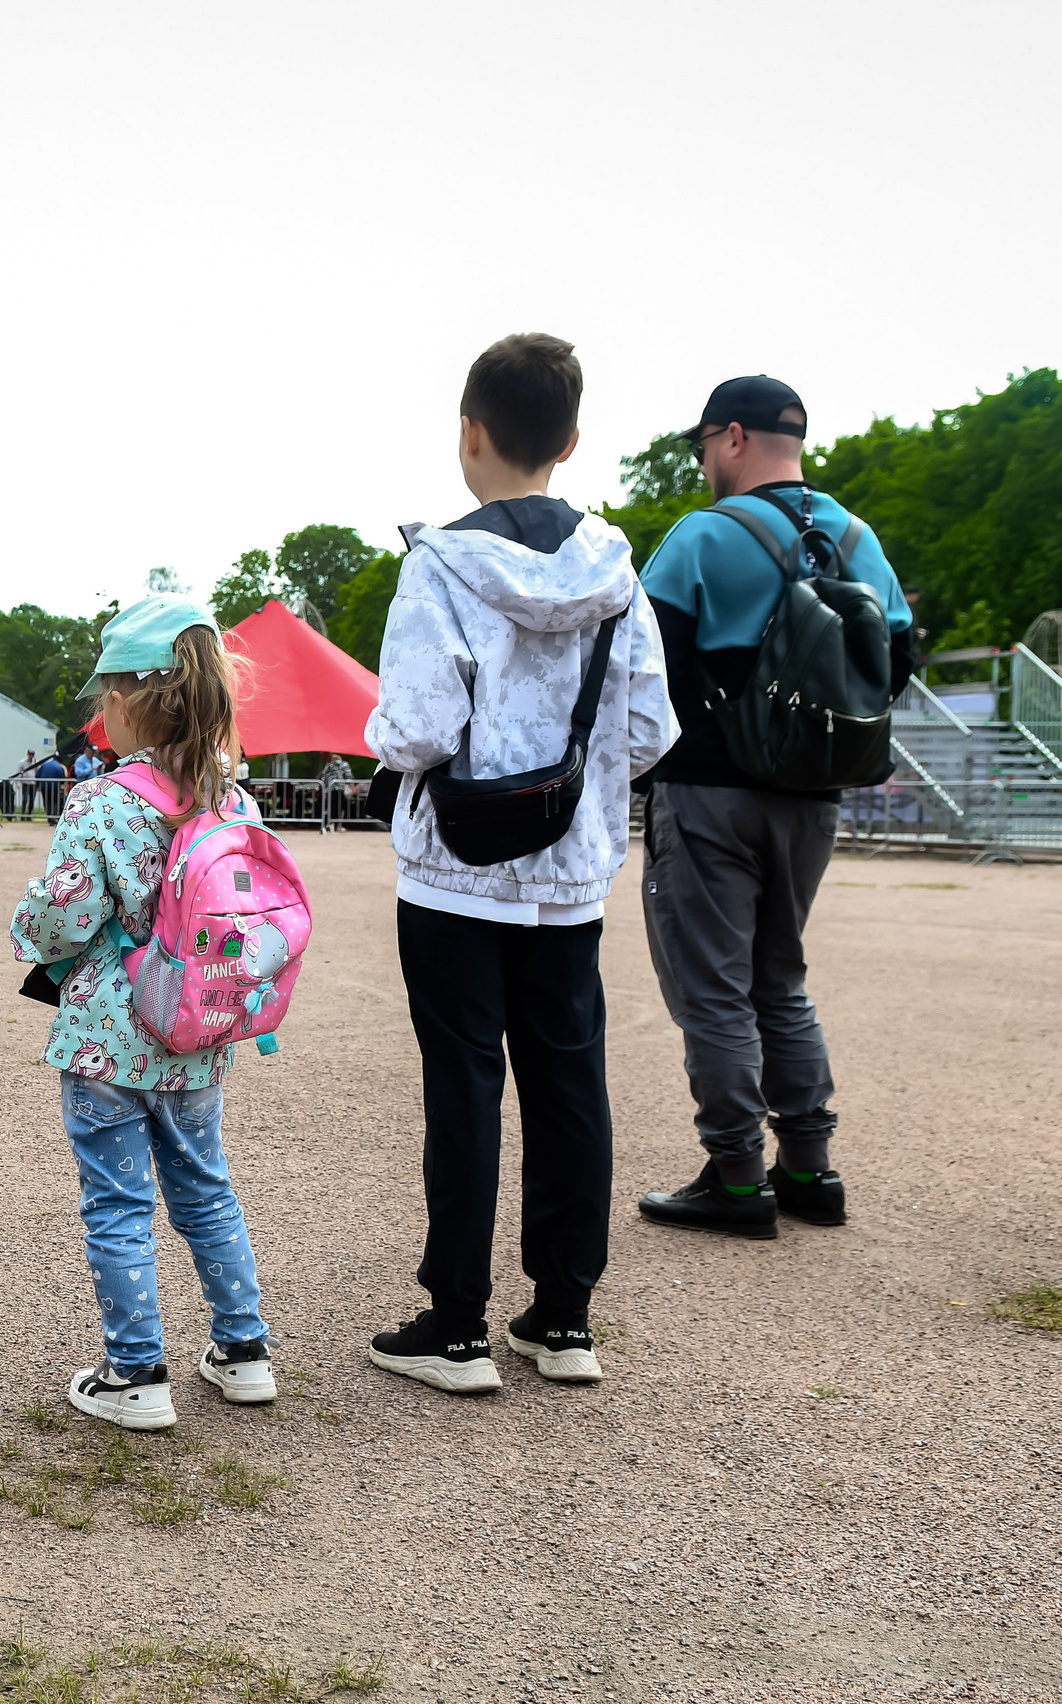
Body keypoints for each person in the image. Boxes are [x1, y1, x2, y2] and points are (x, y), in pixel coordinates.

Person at [364, 332, 676, 1395]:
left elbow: (412, 731)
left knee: (463, 1086)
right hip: (567, 878)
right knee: (568, 1083)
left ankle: (454, 1324)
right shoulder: (618, 574)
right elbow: (647, 730)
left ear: (468, 433)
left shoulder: (438, 565)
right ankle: (563, 1317)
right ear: (572, 441)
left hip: (454, 872)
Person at [632, 376, 914, 1237]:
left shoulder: (702, 536)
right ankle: (809, 1168)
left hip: (711, 791)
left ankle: (737, 1177)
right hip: (813, 795)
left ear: (734, 437)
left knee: (712, 988)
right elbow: (895, 661)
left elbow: (641, 667)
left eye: (703, 446)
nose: (704, 463)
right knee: (780, 980)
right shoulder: (859, 538)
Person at [10, 597, 276, 1429]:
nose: (97, 715)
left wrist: (26, 925)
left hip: (109, 1042)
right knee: (206, 1190)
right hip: (198, 1035)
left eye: (102, 698)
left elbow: (65, 916)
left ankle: (135, 1374)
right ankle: (243, 1352)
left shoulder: (103, 803)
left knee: (118, 1206)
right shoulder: (234, 802)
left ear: (127, 701)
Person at [35, 749, 67, 822]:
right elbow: (62, 778)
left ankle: (49, 816)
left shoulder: (44, 764)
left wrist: (38, 785)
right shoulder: (59, 767)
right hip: (54, 787)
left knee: (46, 802)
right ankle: (54, 816)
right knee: (55, 802)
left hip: (44, 786)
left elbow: (37, 775)